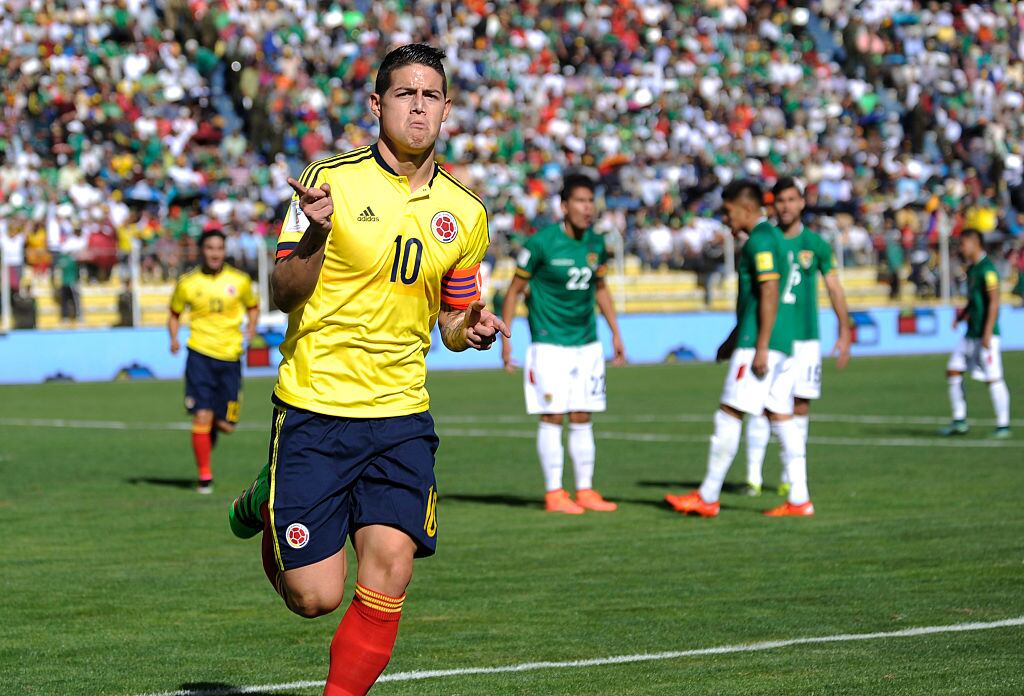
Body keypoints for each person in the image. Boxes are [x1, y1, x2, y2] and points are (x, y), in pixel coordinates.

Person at [225, 45, 509, 696]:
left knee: (390, 569)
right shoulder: (326, 182)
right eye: (404, 93)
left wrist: (473, 328)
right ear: (377, 105)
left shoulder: (465, 214)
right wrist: (319, 237)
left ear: (447, 110)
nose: (419, 105)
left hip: (401, 416)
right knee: (315, 597)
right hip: (316, 408)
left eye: (431, 95)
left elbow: (455, 321)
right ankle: (270, 504)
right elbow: (282, 291)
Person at [664, 179, 813, 518]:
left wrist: (758, 346)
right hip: (780, 341)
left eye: (728, 212)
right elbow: (756, 299)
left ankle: (708, 495)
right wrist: (732, 340)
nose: (725, 219)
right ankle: (800, 499)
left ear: (746, 209)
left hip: (762, 344)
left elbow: (770, 292)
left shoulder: (760, 241)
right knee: (781, 416)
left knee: (729, 412)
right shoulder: (775, 239)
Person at [500, 172, 626, 514]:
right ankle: (555, 493)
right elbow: (514, 291)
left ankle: (585, 490)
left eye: (591, 202)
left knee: (583, 415)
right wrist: (507, 338)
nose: (588, 208)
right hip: (549, 344)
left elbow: (600, 288)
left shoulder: (596, 243)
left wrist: (615, 331)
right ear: (564, 206)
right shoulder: (541, 243)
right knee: (553, 415)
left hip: (587, 343)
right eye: (581, 202)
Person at [744, 178, 852, 496]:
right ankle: (752, 475)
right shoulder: (766, 240)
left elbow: (833, 286)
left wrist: (845, 329)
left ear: (802, 202)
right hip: (774, 335)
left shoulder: (816, 244)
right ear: (772, 205)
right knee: (761, 403)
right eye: (780, 200)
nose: (786, 206)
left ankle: (790, 476)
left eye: (792, 199)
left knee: (800, 405)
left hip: (806, 338)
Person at [168, 229, 259, 493]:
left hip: (230, 358)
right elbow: (174, 313)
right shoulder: (187, 283)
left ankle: (212, 429)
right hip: (199, 355)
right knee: (202, 415)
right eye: (209, 248)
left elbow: (253, 307)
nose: (215, 253)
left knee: (227, 425)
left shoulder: (240, 281)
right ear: (201, 251)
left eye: (219, 248)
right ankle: (204, 476)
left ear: (224, 251)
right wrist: (174, 338)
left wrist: (251, 329)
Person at [940, 228, 1011, 438]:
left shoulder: (988, 270)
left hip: (985, 334)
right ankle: (959, 420)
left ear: (974, 242)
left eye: (963, 244)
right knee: (953, 370)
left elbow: (994, 302)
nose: (961, 248)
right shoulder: (972, 269)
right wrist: (961, 317)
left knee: (993, 377)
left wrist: (988, 332)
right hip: (971, 333)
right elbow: (974, 301)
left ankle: (1003, 424)